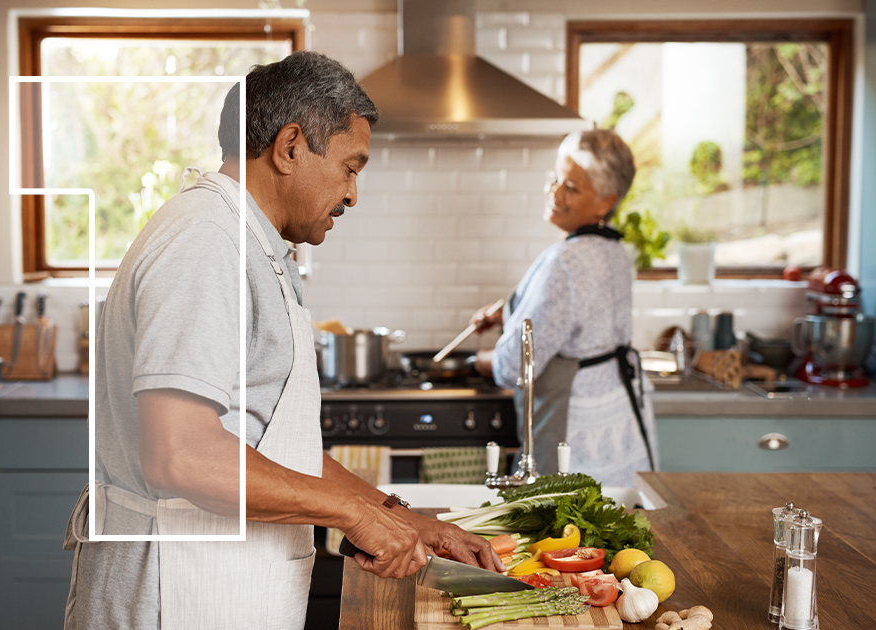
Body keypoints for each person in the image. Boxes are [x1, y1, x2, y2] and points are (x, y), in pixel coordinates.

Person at [63, 51, 502, 630]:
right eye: (350, 167)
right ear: (290, 146)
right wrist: (350, 513)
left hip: (218, 585)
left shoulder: (250, 244)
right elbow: (182, 455)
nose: (351, 194)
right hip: (172, 595)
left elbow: (274, 450)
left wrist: (404, 518)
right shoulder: (207, 241)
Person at [469, 129, 659, 488]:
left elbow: (514, 367)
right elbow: (580, 321)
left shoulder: (565, 262)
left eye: (571, 187)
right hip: (621, 418)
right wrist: (507, 314)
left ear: (605, 202)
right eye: (554, 178)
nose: (555, 193)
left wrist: (481, 360)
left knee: (564, 536)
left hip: (577, 432)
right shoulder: (616, 252)